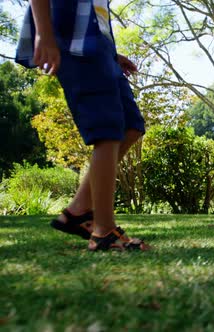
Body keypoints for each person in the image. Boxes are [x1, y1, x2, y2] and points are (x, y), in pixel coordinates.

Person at [15, 0, 149, 249]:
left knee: (131, 126)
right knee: (107, 130)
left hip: (98, 44)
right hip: (72, 43)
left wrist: (112, 54)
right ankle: (103, 232)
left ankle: (78, 211)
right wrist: (44, 35)